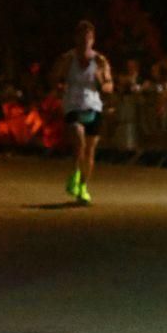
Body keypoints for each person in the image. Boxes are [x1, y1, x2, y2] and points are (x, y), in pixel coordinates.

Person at [52, 20, 114, 205]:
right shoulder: (68, 59)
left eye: (89, 37)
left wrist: (101, 80)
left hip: (93, 106)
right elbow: (54, 77)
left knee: (89, 151)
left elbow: (109, 87)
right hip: (73, 105)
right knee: (79, 142)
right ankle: (74, 174)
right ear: (76, 38)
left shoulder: (100, 61)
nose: (85, 40)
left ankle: (83, 187)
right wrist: (59, 86)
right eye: (82, 36)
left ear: (93, 40)